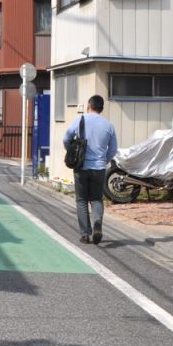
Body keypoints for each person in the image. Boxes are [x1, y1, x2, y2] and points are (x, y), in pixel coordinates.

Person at [63, 95, 118, 245]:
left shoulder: (80, 120)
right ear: (102, 108)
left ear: (89, 105)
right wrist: (104, 161)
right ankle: (97, 224)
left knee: (81, 200)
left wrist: (71, 152)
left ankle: (85, 234)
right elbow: (113, 149)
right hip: (99, 168)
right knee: (96, 199)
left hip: (81, 166)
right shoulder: (109, 125)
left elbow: (66, 138)